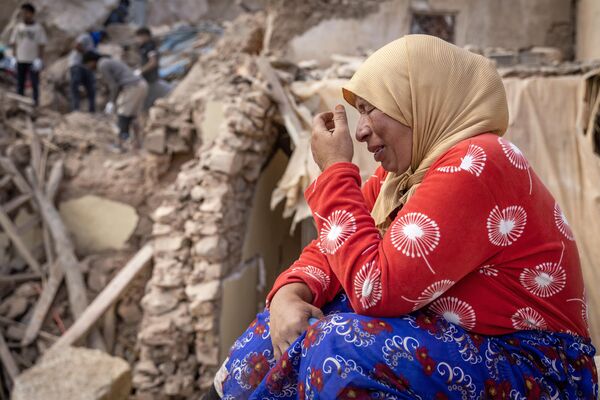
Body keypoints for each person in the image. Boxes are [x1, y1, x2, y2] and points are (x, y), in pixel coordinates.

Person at [213, 35, 597, 399]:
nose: (361, 131)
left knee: (340, 346)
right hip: (464, 344)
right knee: (276, 332)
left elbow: (375, 290)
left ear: (418, 100)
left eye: (369, 109)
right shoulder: (403, 178)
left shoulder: (480, 162)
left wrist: (334, 172)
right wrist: (288, 293)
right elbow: (333, 246)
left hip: (536, 366)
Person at [82, 51, 147, 151]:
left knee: (123, 115)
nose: (88, 67)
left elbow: (114, 86)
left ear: (91, 61)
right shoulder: (107, 61)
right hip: (140, 85)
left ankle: (120, 145)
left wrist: (111, 102)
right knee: (133, 116)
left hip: (132, 87)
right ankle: (137, 144)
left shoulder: (102, 64)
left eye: (87, 64)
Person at [9, 3, 47, 106]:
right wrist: (13, 57)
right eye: (22, 13)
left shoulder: (38, 28)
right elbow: (14, 43)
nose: (24, 15)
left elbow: (41, 44)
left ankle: (35, 104)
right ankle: (19, 103)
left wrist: (39, 59)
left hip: (33, 60)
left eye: (26, 13)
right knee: (20, 83)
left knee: (34, 83)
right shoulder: (18, 27)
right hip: (20, 59)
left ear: (31, 13)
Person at [68, 30, 108, 112]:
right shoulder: (86, 37)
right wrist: (87, 54)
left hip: (87, 68)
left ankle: (92, 110)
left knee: (91, 88)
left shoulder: (95, 46)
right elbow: (76, 45)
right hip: (76, 64)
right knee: (75, 86)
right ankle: (75, 109)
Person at [134, 27, 171, 110]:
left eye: (139, 37)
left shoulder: (150, 47)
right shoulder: (143, 48)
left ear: (145, 36)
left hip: (151, 80)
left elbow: (153, 63)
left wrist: (140, 71)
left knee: (145, 106)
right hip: (147, 80)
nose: (138, 40)